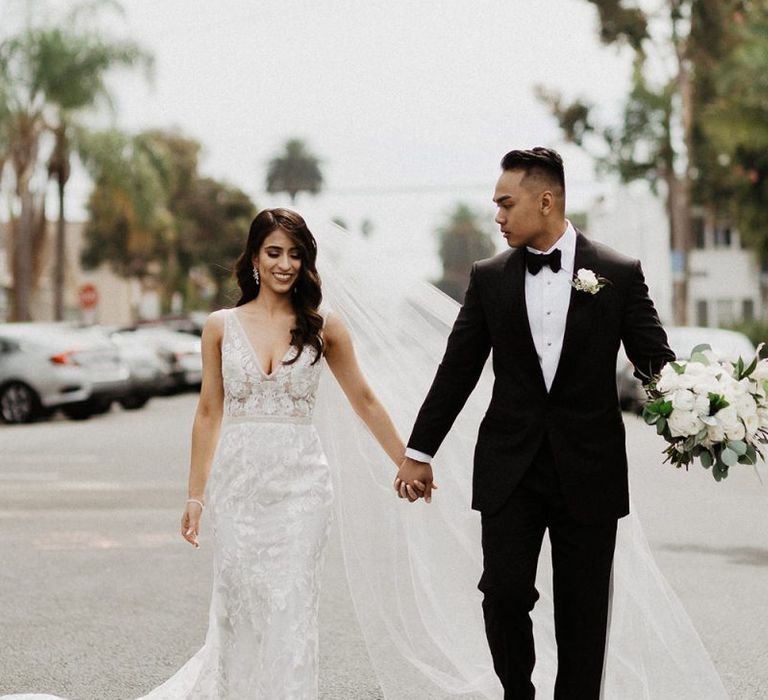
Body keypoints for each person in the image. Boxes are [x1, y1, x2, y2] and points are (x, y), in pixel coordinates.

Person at [395, 147, 676, 699]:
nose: (496, 217)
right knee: (502, 593)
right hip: (510, 468)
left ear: (545, 201)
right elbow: (458, 370)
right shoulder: (489, 277)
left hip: (589, 470)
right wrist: (419, 451)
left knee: (583, 612)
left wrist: (704, 412)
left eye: (505, 204)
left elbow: (655, 364)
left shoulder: (618, 273)